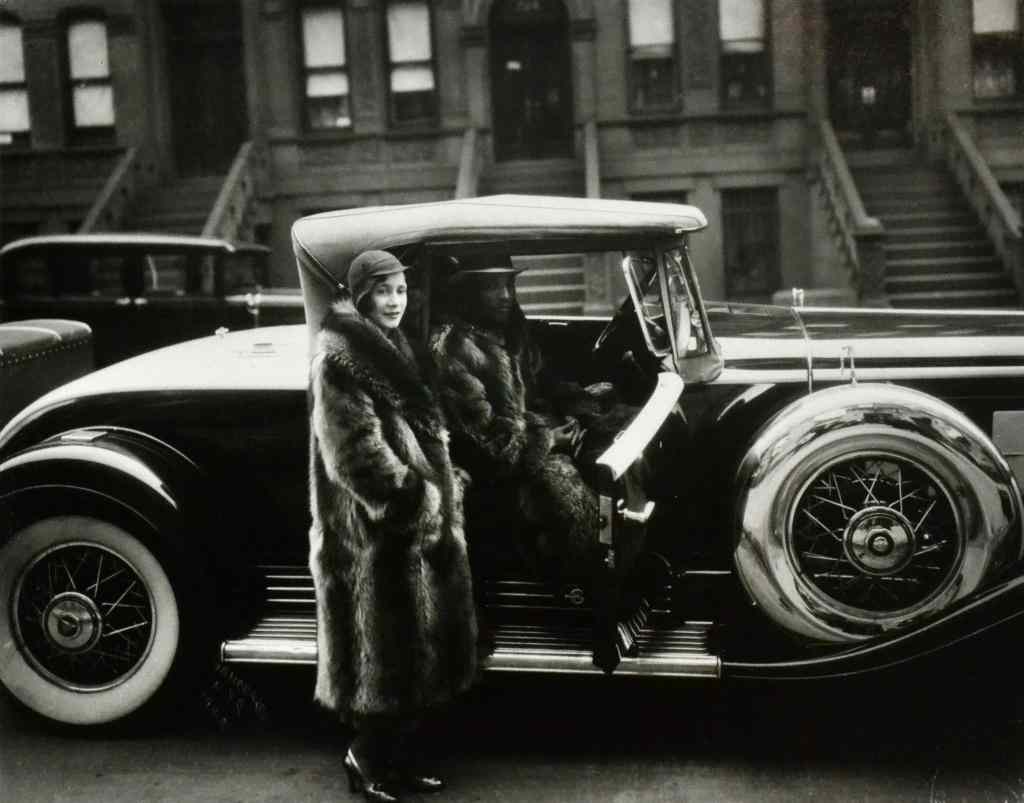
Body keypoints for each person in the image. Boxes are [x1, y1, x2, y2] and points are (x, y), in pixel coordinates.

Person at [308, 249, 477, 802]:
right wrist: (419, 502)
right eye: (383, 291)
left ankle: (396, 762)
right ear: (361, 295)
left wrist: (446, 483)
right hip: (373, 534)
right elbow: (355, 455)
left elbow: (419, 432)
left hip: (410, 528)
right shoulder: (340, 357)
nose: (395, 301)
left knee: (413, 654)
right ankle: (365, 760)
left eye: (401, 290)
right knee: (380, 655)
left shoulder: (393, 346)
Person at [428, 253, 605, 588]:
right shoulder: (451, 350)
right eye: (492, 286)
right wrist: (549, 439)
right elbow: (487, 446)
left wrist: (582, 404)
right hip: (492, 475)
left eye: (508, 284)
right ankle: (583, 593)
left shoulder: (509, 331)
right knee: (563, 489)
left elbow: (542, 382)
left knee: (610, 439)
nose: (506, 295)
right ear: (468, 291)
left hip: (530, 442)